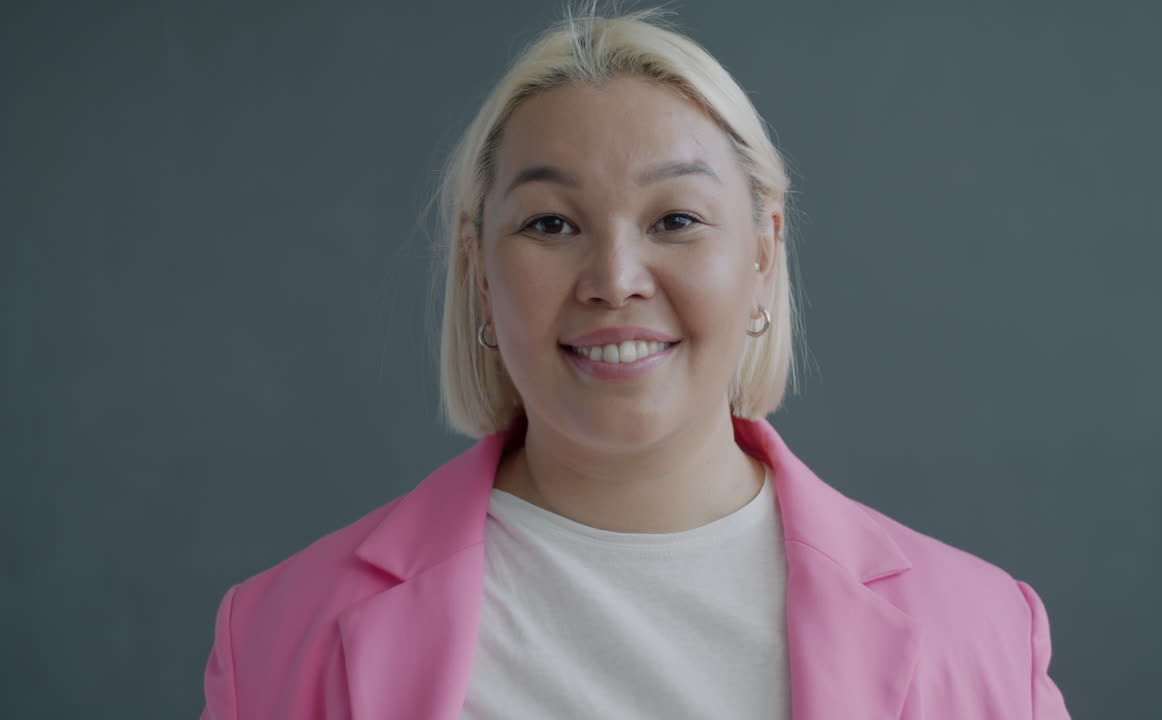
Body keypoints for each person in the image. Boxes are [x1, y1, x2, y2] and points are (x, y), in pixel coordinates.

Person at [199, 5, 1071, 719]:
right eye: (550, 224)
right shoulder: (278, 635)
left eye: (676, 220)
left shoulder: (983, 631)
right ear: (479, 271)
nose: (614, 281)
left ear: (764, 257)